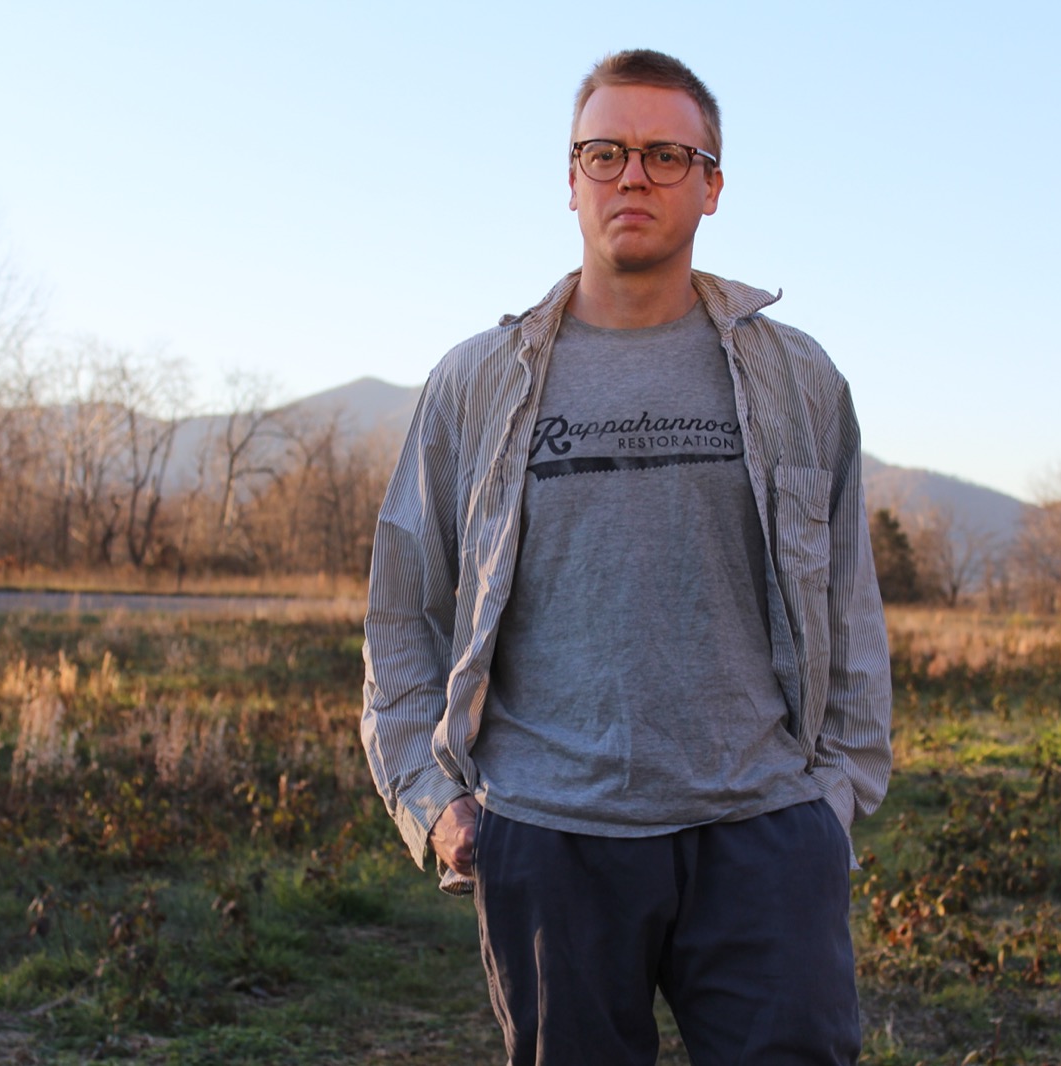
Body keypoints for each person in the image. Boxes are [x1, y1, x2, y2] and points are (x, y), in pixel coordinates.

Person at [361, 48, 892, 1065]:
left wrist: (832, 802)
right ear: (569, 180)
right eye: (603, 153)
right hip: (554, 839)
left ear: (712, 184)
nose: (631, 176)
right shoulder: (477, 382)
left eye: (663, 153)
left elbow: (851, 608)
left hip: (763, 832)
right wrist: (431, 804)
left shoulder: (799, 379)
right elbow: (404, 610)